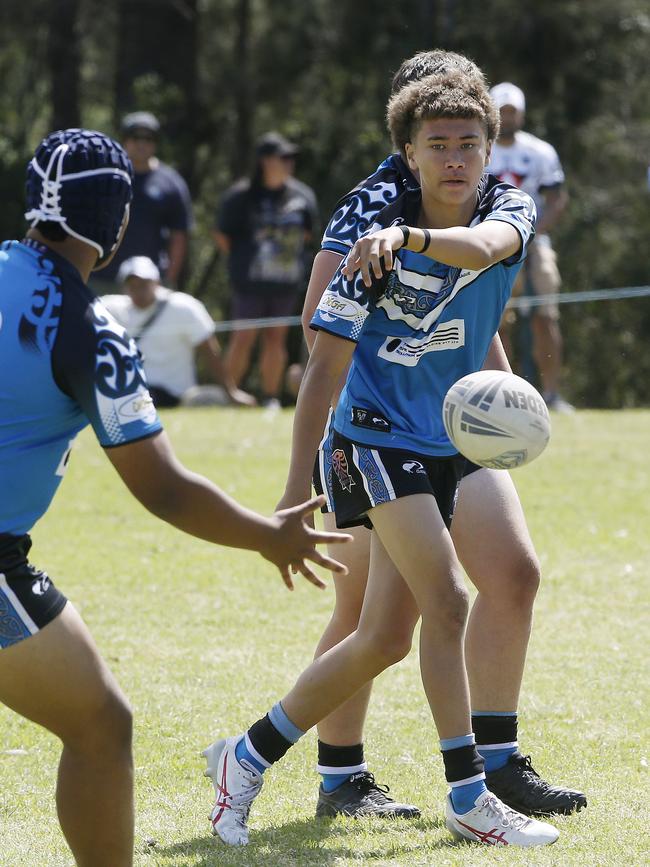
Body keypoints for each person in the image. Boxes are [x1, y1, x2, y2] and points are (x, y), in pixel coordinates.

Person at [203, 67, 565, 849]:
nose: (455, 158)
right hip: (372, 438)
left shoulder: (506, 208)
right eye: (437, 144)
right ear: (407, 151)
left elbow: (488, 249)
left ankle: (245, 753)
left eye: (469, 143)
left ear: (490, 148)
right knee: (449, 600)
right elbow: (323, 365)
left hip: (448, 440)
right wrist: (298, 481)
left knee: (385, 635)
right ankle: (468, 794)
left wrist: (417, 247)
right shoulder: (369, 232)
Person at [0, 128, 350, 867]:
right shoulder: (88, 330)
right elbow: (161, 487)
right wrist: (268, 533)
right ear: (118, 222)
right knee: (100, 722)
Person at [214, 131, 319, 409]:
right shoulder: (240, 196)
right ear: (264, 161)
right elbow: (223, 237)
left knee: (276, 340)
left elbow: (309, 235)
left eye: (291, 158)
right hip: (249, 283)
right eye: (282, 157)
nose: (288, 163)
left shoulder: (302, 195)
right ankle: (229, 396)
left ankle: (271, 398)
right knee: (243, 338)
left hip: (285, 282)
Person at [487, 83, 573, 412]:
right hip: (491, 245)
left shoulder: (540, 151)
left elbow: (557, 200)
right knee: (494, 323)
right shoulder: (479, 147)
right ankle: (503, 396)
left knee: (545, 317)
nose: (507, 117)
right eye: (502, 111)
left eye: (513, 111)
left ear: (521, 113)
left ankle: (551, 393)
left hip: (536, 243)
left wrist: (529, 233)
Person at [101, 255, 255, 408]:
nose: (138, 291)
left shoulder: (183, 306)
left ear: (157, 282)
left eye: (144, 284)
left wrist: (230, 391)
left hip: (176, 394)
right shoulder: (111, 309)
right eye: (132, 285)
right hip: (132, 392)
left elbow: (210, 352)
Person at [91, 111, 193, 293]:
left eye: (149, 138)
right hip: (101, 279)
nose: (141, 144)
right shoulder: (104, 177)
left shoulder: (171, 183)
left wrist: (168, 281)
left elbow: (179, 236)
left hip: (148, 284)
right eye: (135, 137)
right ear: (124, 139)